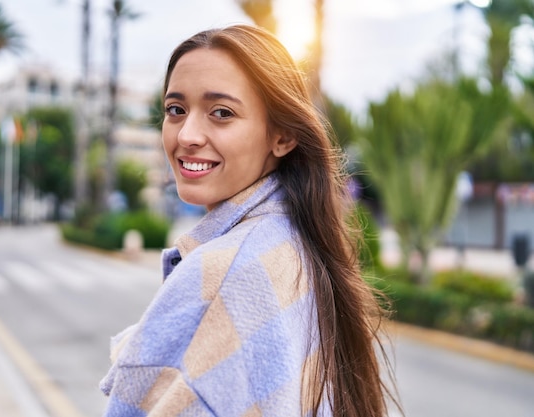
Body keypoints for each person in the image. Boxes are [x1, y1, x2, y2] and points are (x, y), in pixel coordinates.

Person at [100, 24, 398, 417]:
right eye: (176, 110)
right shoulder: (297, 241)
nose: (187, 134)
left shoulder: (223, 273)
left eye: (221, 113)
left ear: (282, 137)